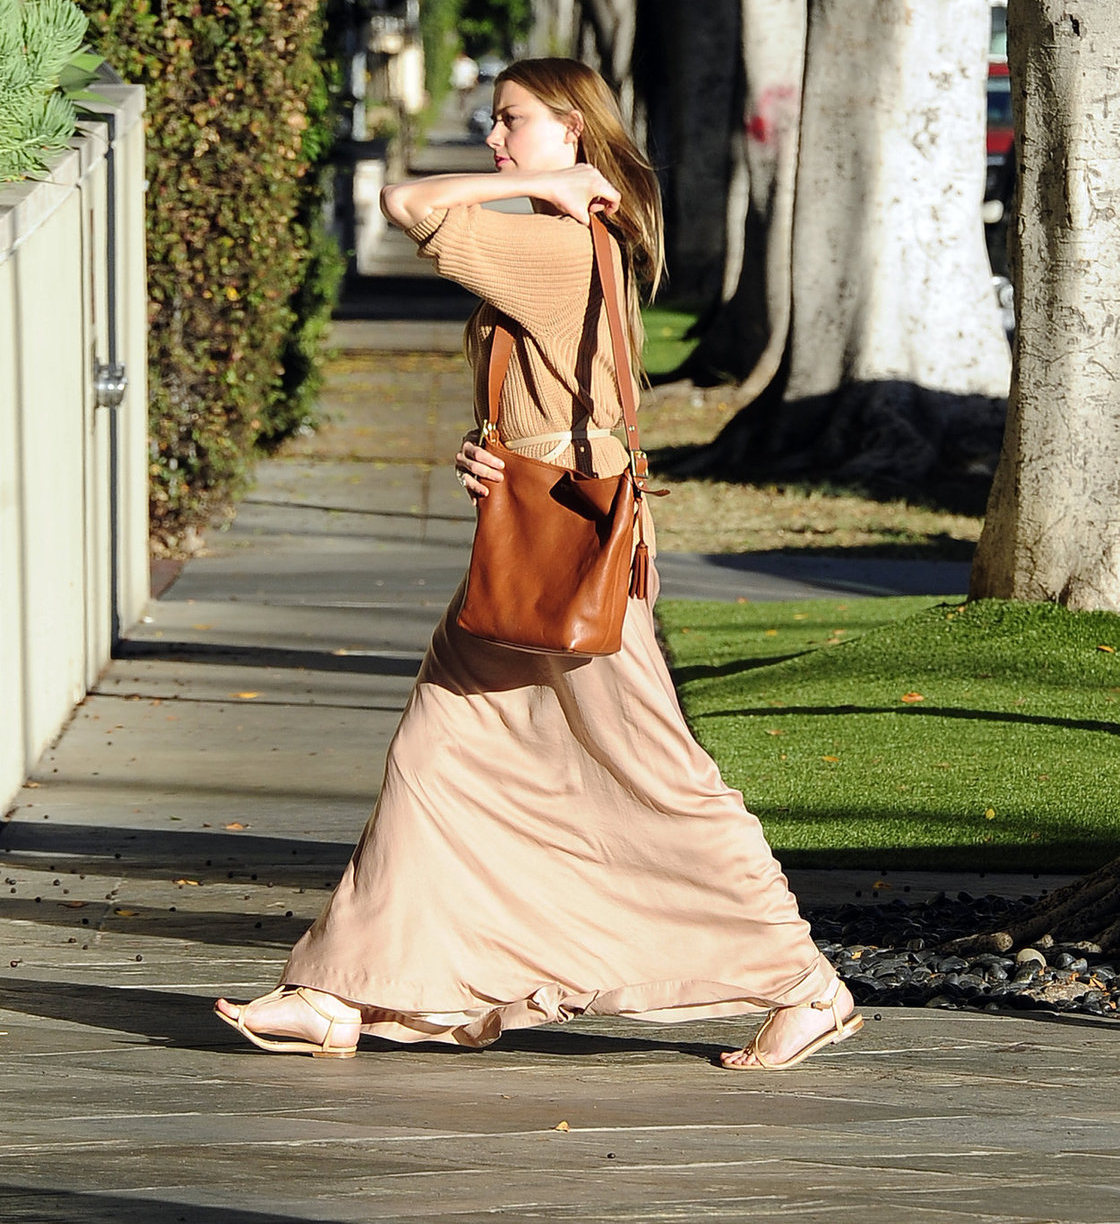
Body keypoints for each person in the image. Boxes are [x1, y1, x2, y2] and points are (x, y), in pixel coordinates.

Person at [214, 58, 862, 1071]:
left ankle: (807, 986)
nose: (493, 139)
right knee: (435, 761)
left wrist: (541, 189)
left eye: (512, 122)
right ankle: (338, 994)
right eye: (495, 124)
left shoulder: (560, 243)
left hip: (571, 560)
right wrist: (492, 445)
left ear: (571, 128)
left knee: (663, 777)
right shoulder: (568, 241)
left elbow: (405, 201)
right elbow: (549, 395)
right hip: (536, 543)